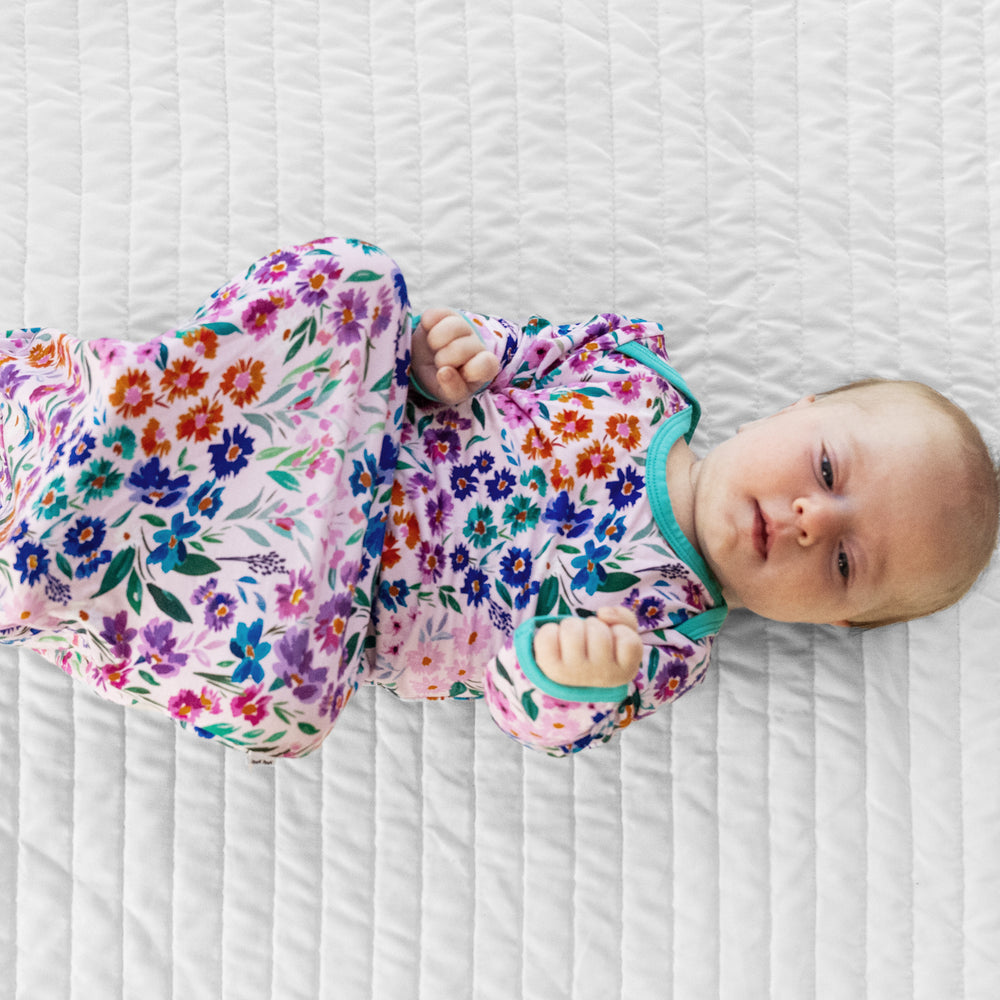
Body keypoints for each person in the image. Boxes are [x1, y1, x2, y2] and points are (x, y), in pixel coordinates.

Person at [0, 237, 995, 758]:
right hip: (335, 441)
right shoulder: (630, 373)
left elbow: (528, 712)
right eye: (826, 472)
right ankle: (99, 432)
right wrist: (445, 362)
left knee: (282, 712)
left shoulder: (660, 646)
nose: (814, 519)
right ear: (799, 405)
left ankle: (55, 550)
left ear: (832, 621)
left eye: (845, 563)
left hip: (314, 596)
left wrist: (563, 680)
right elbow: (479, 353)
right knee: (354, 280)